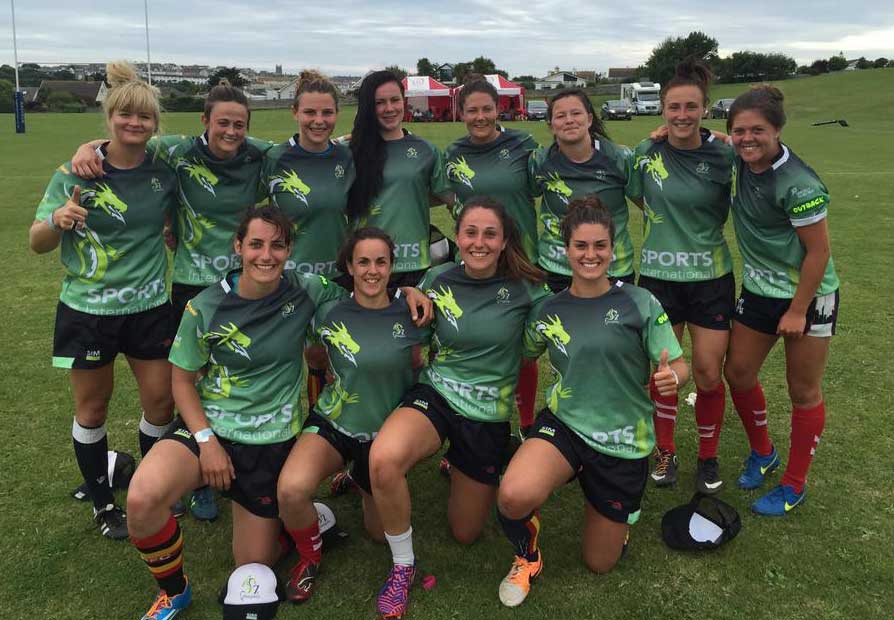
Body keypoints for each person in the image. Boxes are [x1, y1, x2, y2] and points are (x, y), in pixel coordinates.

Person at [125, 206, 431, 620]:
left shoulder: (304, 290)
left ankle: (301, 523)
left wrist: (407, 292)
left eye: (277, 245)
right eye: (256, 244)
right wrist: (206, 441)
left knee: (256, 562)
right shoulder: (206, 305)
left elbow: (365, 293)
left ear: (289, 251)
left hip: (269, 442)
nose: (266, 255)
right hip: (211, 429)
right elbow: (181, 381)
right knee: (142, 498)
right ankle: (174, 592)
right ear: (238, 247)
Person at [69, 78, 273, 521]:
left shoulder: (257, 154)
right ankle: (195, 478)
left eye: (239, 125)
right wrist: (89, 147)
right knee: (189, 382)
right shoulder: (175, 151)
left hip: (242, 284)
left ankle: (240, 460)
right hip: (190, 286)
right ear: (205, 121)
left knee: (237, 374)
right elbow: (126, 141)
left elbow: (304, 148)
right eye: (222, 123)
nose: (231, 131)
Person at [495, 196, 689, 607]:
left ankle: (614, 516)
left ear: (613, 248)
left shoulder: (639, 302)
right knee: (512, 495)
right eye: (581, 245)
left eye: (600, 245)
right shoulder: (549, 309)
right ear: (566, 249)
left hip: (622, 437)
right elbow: (521, 354)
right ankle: (527, 557)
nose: (590, 255)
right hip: (565, 424)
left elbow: (679, 365)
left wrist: (672, 377)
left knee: (600, 562)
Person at [368, 197, 550, 619]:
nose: (479, 242)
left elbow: (567, 318)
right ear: (458, 236)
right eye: (470, 233)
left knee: (465, 532)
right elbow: (401, 310)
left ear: (504, 241)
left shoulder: (527, 288)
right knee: (383, 459)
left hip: (486, 414)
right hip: (437, 394)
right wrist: (407, 290)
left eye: (490, 234)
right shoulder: (438, 277)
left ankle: (488, 462)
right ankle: (403, 566)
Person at [29, 61, 179, 539]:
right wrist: (57, 219)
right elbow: (36, 242)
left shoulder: (164, 169)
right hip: (88, 311)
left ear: (155, 123)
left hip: (149, 308)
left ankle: (152, 491)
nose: (134, 123)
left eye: (144, 117)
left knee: (161, 403)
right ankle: (103, 505)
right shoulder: (75, 171)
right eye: (124, 115)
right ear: (110, 117)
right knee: (92, 409)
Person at [276, 228, 430, 603]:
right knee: (291, 490)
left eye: (380, 262)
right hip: (335, 422)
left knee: (378, 533)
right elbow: (313, 351)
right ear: (349, 266)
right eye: (363, 262)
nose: (372, 270)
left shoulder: (413, 312)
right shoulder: (329, 309)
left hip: (385, 436)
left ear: (392, 266)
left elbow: (427, 360)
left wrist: (411, 291)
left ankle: (359, 476)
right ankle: (310, 557)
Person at [723, 86, 839, 516]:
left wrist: (797, 310)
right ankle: (763, 452)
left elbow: (819, 253)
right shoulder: (740, 156)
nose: (747, 139)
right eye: (739, 131)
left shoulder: (798, 182)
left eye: (758, 130)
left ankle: (794, 484)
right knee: (738, 372)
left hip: (809, 297)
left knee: (802, 390)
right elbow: (717, 140)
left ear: (777, 131)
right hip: (759, 292)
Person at [626, 58, 735, 494]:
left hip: (711, 277)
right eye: (674, 107)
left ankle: (708, 457)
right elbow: (640, 198)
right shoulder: (645, 152)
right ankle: (665, 452)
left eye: (691, 106)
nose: (682, 115)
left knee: (707, 374)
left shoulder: (725, 153)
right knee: (664, 371)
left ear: (705, 108)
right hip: (659, 278)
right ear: (663, 110)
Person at [445, 74, 541, 437]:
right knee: (477, 343)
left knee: (523, 347)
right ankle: (470, 425)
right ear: (461, 113)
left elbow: (560, 165)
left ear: (498, 109)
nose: (480, 117)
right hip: (476, 262)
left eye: (486, 109)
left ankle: (527, 424)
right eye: (472, 111)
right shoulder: (453, 153)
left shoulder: (523, 143)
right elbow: (432, 189)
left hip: (520, 258)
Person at [263, 69, 356, 408]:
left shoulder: (346, 157)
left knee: (331, 356)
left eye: (327, 112)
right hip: (289, 279)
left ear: (337, 114)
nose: (319, 120)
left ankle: (326, 424)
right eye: (310, 112)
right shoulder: (274, 158)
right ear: (295, 112)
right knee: (291, 359)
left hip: (336, 277)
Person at [346, 70, 454, 288]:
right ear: (368, 107)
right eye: (380, 102)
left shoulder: (426, 151)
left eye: (395, 100)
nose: (389, 108)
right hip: (366, 267)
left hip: (414, 266)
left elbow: (451, 199)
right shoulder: (348, 151)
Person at [530, 88, 635, 292]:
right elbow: (527, 196)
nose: (569, 120)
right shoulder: (539, 161)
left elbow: (646, 203)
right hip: (556, 268)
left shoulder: (620, 157)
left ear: (589, 119)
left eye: (576, 113)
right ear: (551, 125)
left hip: (613, 268)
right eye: (560, 116)